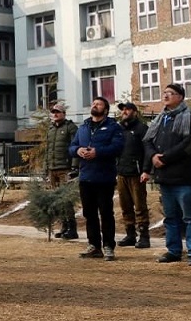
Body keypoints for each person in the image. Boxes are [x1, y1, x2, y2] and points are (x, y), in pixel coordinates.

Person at [141, 83, 191, 266]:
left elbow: (189, 144)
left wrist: (165, 158)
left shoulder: (189, 117)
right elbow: (148, 141)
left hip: (183, 177)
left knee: (189, 217)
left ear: (180, 97)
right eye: (165, 93)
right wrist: (153, 156)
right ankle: (173, 250)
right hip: (164, 176)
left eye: (171, 93)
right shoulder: (161, 119)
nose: (166, 96)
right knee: (170, 217)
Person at [68, 96, 123, 261]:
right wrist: (78, 151)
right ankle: (94, 245)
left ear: (105, 110)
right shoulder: (83, 127)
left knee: (106, 213)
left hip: (104, 177)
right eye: (93, 103)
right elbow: (71, 146)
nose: (94, 105)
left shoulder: (113, 127)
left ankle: (108, 246)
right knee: (89, 213)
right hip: (86, 177)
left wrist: (97, 152)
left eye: (98, 104)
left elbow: (118, 147)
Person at [115, 101, 151, 249]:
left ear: (135, 112)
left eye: (128, 109)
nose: (124, 112)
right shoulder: (118, 130)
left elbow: (148, 150)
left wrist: (146, 170)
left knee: (140, 206)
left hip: (137, 174)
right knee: (125, 206)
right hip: (121, 173)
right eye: (123, 109)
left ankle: (144, 236)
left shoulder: (142, 129)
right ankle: (130, 235)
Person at [45, 102, 79, 239]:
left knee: (66, 200)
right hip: (53, 169)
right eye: (53, 112)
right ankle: (64, 226)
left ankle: (72, 228)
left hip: (65, 169)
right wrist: (45, 169)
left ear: (64, 114)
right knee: (57, 200)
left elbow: (76, 147)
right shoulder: (51, 130)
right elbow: (48, 150)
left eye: (58, 112)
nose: (55, 114)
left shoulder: (70, 128)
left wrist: (74, 167)